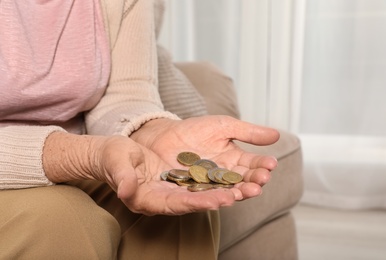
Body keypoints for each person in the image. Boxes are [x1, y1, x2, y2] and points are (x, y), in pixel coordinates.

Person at [0, 0, 280, 259]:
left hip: (80, 148)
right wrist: (79, 155)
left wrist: (151, 131)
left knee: (180, 203)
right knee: (59, 220)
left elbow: (124, 92)